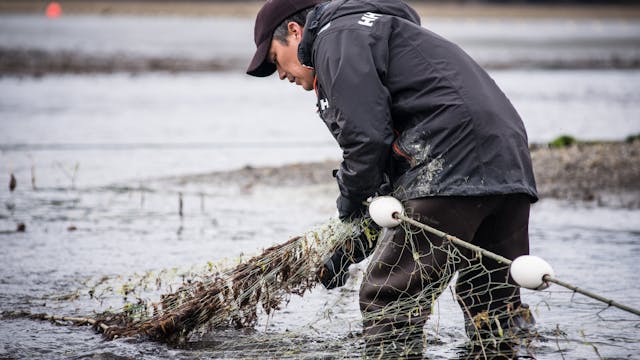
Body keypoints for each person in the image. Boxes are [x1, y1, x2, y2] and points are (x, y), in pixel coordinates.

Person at [246, 0, 538, 357]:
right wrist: (355, 242)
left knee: (388, 295)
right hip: (509, 163)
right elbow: (382, 161)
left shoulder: (336, 38)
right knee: (493, 302)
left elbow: (366, 141)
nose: (280, 75)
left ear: (295, 31)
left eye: (275, 60)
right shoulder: (378, 31)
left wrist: (349, 212)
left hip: (449, 158)